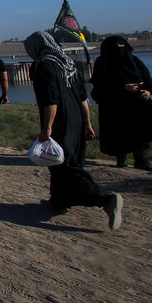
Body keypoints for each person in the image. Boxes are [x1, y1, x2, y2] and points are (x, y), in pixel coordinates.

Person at [25, 31, 123, 229]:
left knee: (65, 166)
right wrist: (87, 123)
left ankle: (105, 200)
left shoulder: (44, 65)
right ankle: (59, 201)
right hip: (77, 117)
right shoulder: (69, 64)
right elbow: (82, 97)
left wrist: (46, 128)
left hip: (61, 120)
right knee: (62, 161)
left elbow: (50, 100)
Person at [91, 36, 152, 171]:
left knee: (140, 132)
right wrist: (122, 87)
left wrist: (147, 91)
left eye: (122, 45)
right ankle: (121, 160)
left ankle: (141, 160)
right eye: (117, 46)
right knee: (118, 133)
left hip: (137, 105)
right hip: (115, 106)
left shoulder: (134, 61)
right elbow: (100, 84)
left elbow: (147, 80)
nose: (120, 49)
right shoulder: (103, 63)